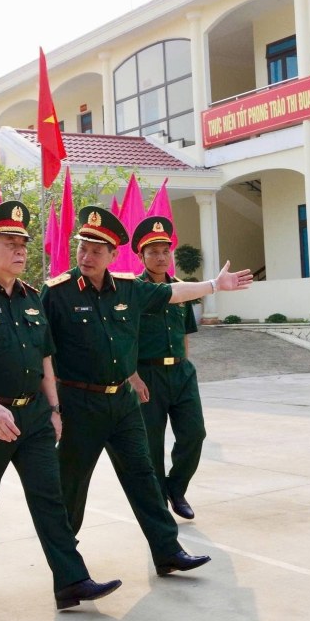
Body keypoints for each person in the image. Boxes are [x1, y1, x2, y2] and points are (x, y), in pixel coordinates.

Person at [41, 205, 252, 576]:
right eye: (82, 248)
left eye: (96, 250)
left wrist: (215, 285)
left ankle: (167, 551)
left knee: (145, 480)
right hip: (79, 404)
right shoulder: (55, 293)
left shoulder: (128, 289)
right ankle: (66, 570)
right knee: (70, 489)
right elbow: (40, 350)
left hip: (121, 404)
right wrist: (51, 408)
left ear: (112, 254)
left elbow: (171, 292)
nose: (87, 256)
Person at [0, 200, 121, 611]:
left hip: (34, 415)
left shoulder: (30, 297)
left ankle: (71, 582)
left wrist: (54, 410)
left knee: (50, 498)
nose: (21, 250)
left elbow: (44, 358)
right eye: (9, 242)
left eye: (23, 242)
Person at [127, 216, 205, 520]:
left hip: (181, 373)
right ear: (141, 256)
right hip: (148, 375)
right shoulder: (134, 291)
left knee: (194, 434)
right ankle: (159, 502)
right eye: (154, 252)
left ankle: (177, 488)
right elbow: (125, 339)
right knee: (152, 443)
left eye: (165, 251)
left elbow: (184, 333)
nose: (161, 257)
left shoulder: (181, 290)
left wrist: (184, 365)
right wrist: (132, 376)